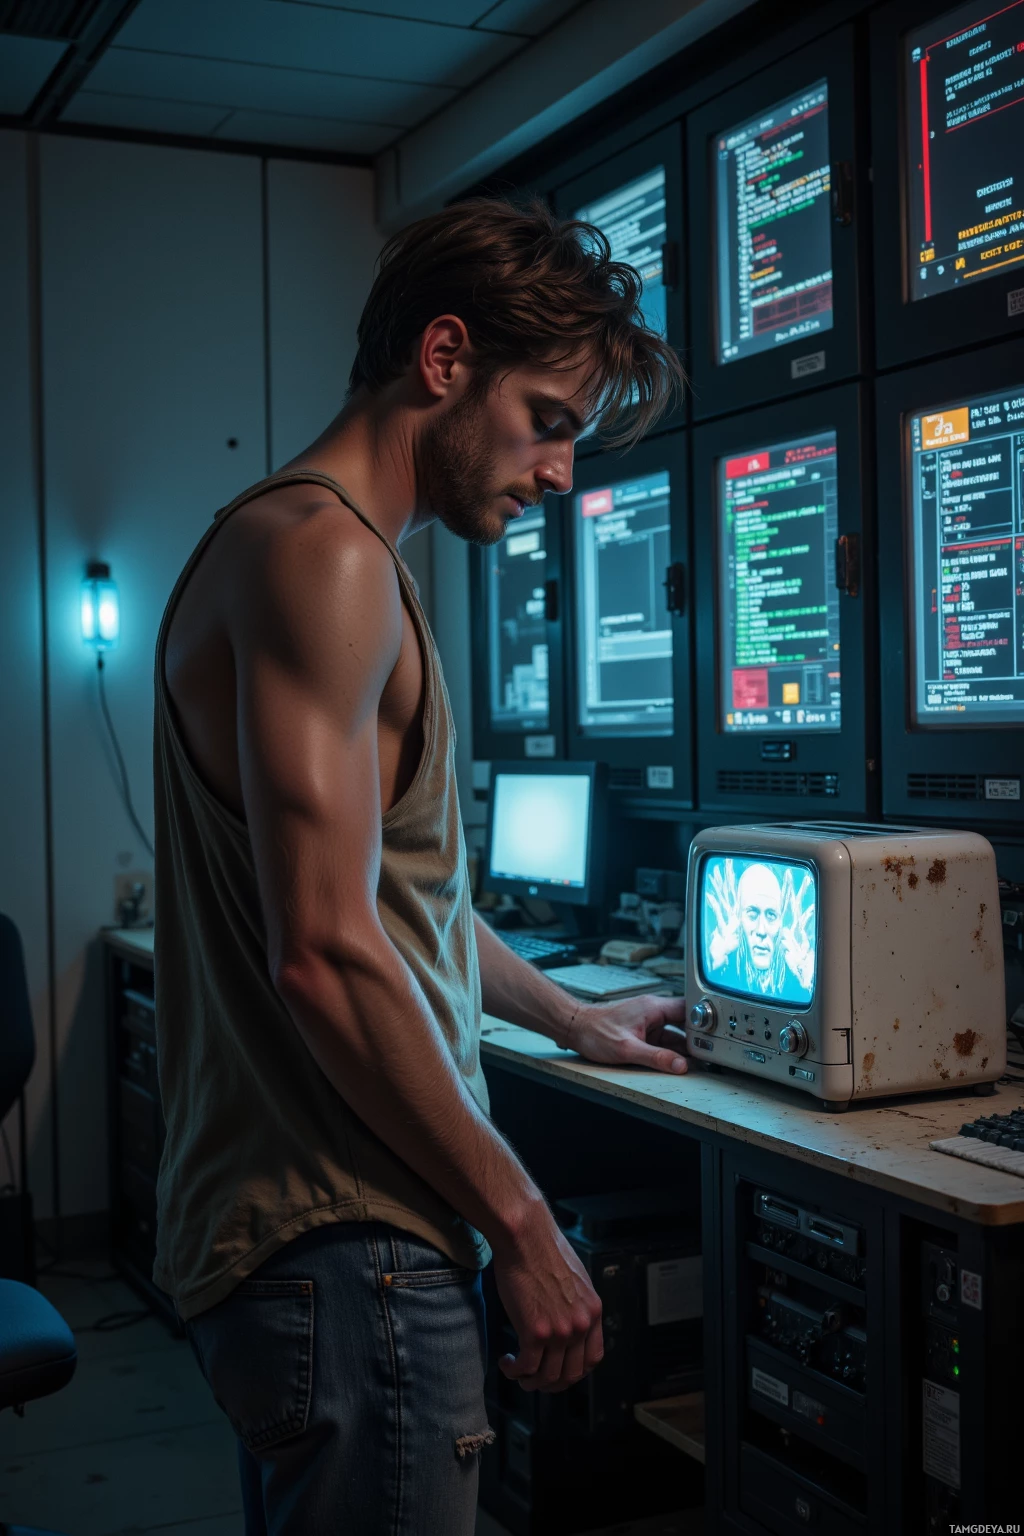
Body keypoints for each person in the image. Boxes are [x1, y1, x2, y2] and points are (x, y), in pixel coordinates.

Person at [152, 197, 688, 1535]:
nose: (561, 473)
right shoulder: (327, 561)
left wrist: (575, 1017)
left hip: (311, 1252)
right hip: (353, 1247)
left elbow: (398, 908)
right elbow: (325, 956)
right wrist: (527, 1227)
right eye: (549, 419)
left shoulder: (292, 544)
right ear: (444, 359)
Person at [705, 859, 815, 1000]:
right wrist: (715, 967)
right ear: (738, 919)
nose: (761, 931)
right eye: (752, 915)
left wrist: (806, 985)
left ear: (782, 923)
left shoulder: (798, 979)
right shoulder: (721, 970)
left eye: (771, 916)